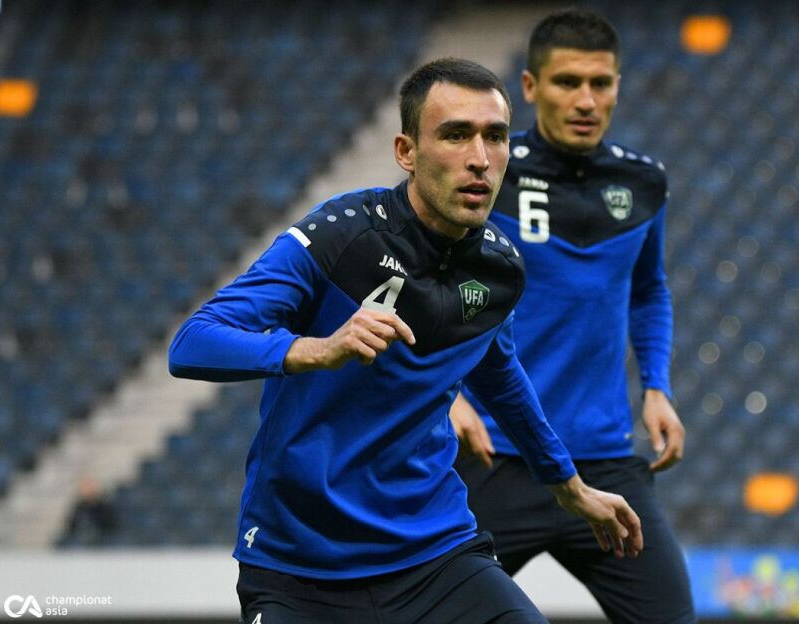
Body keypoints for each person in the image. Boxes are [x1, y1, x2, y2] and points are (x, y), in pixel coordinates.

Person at [169, 57, 642, 624]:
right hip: (298, 569)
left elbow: (500, 377)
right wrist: (317, 350)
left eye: (495, 136)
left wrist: (568, 486)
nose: (479, 157)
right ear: (406, 152)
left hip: (434, 558)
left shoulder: (499, 268)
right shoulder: (341, 236)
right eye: (456, 135)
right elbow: (193, 342)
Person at [449, 10, 696, 623]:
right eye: (567, 82)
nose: (586, 100)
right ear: (531, 87)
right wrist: (448, 396)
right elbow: (427, 282)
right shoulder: (486, 171)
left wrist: (657, 386)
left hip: (604, 460)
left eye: (600, 83)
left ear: (617, 87)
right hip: (495, 458)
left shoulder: (644, 182)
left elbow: (648, 290)